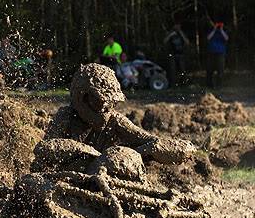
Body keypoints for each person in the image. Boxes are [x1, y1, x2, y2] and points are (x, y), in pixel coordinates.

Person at [40, 63, 195, 169]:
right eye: (101, 103)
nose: (107, 110)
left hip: (104, 179)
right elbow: (44, 148)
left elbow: (150, 140)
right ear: (83, 98)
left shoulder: (115, 120)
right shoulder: (66, 116)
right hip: (66, 179)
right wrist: (90, 153)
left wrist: (160, 148)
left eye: (112, 104)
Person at [206, 22, 229, 88]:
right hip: (211, 53)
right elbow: (208, 38)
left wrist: (221, 29)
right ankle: (210, 85)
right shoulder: (212, 31)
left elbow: (226, 38)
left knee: (220, 70)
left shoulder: (223, 31)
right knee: (210, 70)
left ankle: (219, 86)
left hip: (220, 53)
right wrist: (214, 29)